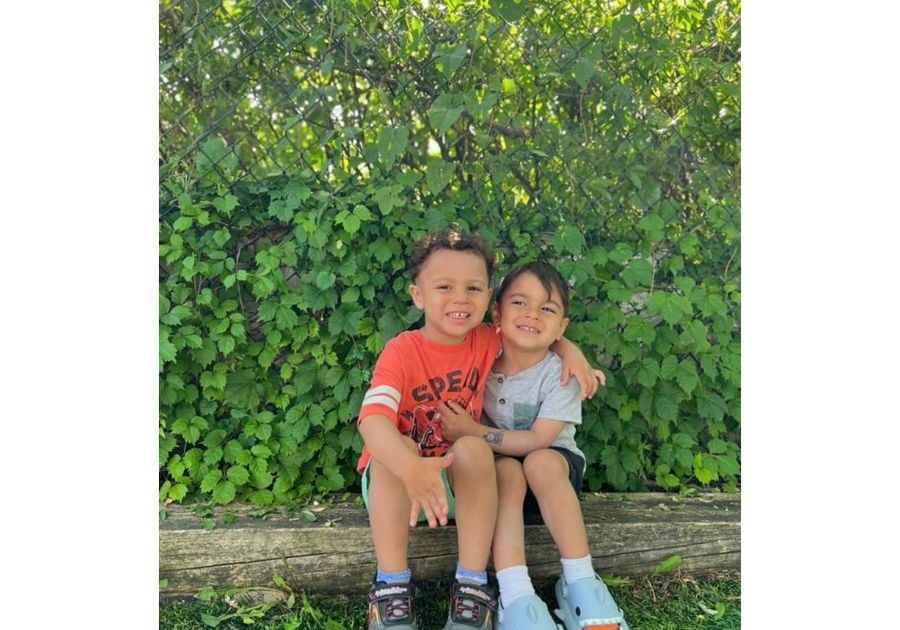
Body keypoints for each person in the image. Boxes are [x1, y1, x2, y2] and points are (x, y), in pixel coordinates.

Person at [357, 229, 602, 630]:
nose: (460, 298)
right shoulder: (401, 350)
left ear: (489, 299)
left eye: (473, 287)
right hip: (400, 487)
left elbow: (533, 332)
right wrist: (411, 467)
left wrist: (569, 349)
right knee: (394, 448)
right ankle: (391, 588)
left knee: (472, 445)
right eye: (443, 287)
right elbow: (371, 420)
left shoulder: (487, 339)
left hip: (461, 487)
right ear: (418, 295)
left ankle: (471, 587)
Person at [439, 260, 630, 630]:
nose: (532, 314)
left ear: (562, 326)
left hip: (552, 476)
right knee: (507, 470)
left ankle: (581, 583)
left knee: (539, 461)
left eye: (547, 308)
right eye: (519, 303)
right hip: (497, 486)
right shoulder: (479, 356)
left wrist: (471, 430)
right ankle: (517, 596)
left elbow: (539, 440)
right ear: (496, 311)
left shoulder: (562, 374)